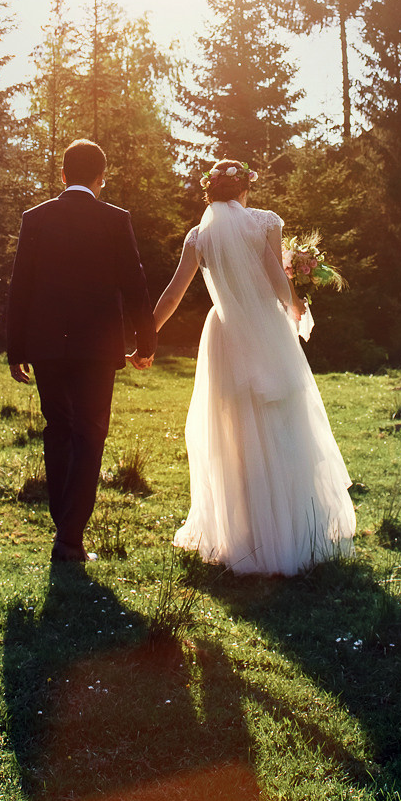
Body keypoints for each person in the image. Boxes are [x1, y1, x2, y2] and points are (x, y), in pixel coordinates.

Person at [150, 160, 356, 575]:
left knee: (234, 433)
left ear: (210, 191)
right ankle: (291, 531)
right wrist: (295, 304)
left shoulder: (199, 235)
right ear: (246, 188)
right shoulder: (265, 221)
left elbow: (173, 294)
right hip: (265, 330)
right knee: (283, 424)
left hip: (225, 332)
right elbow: (275, 275)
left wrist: (146, 338)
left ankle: (243, 534)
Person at [4, 139, 158, 565]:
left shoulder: (35, 218)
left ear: (63, 175)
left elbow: (20, 286)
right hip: (97, 349)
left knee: (58, 429)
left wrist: (16, 349)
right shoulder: (116, 220)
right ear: (101, 178)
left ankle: (65, 529)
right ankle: (69, 537)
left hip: (47, 347)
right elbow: (135, 283)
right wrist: (146, 342)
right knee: (90, 434)